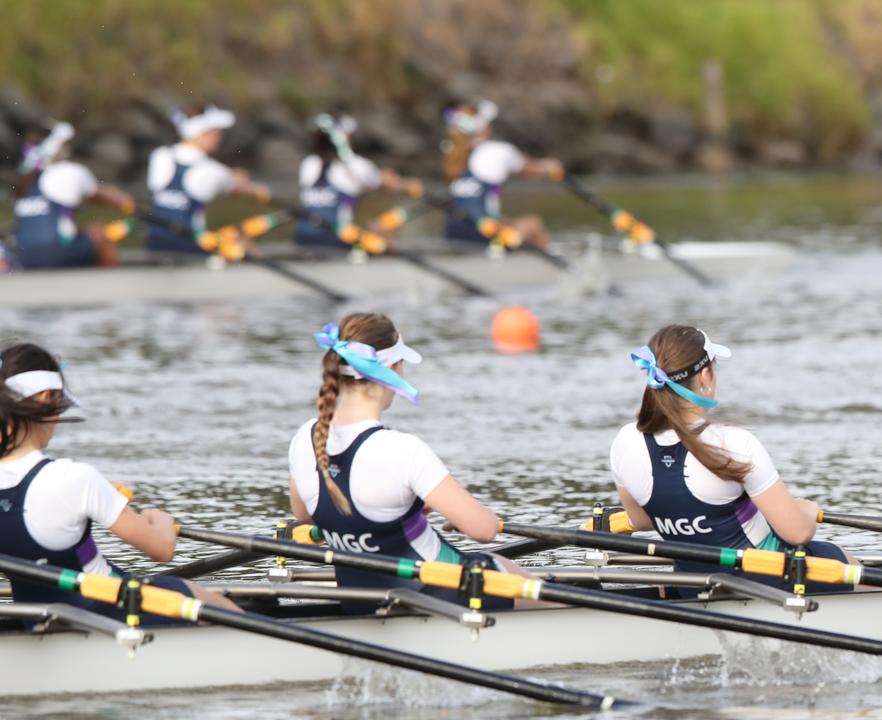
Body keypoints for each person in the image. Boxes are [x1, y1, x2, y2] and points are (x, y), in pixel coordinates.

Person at [287, 313, 531, 613]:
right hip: (439, 595)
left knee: (500, 566)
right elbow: (484, 530)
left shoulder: (304, 438)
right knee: (521, 578)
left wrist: (406, 508)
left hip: (360, 599)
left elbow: (304, 514)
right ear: (392, 369)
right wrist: (465, 512)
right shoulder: (403, 450)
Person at [610, 324, 853, 597]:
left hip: (691, 585)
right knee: (840, 558)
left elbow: (640, 519)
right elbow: (796, 534)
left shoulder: (625, 441)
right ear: (705, 376)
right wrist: (806, 514)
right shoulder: (735, 443)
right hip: (765, 582)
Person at [0, 342, 238, 620]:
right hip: (112, 611)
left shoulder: (71, 483)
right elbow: (161, 549)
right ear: (45, 398)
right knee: (199, 596)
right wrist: (158, 519)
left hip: (31, 617)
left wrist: (101, 498)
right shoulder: (74, 478)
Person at [145, 105, 270, 254]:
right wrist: (259, 191)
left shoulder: (160, 155)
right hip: (190, 246)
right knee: (242, 241)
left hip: (155, 242)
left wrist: (231, 175)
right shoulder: (213, 170)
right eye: (214, 131)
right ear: (201, 133)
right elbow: (247, 190)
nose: (219, 136)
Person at [441, 99, 562, 251]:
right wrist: (552, 166)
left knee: (506, 222)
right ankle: (550, 270)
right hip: (484, 234)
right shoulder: (495, 151)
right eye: (489, 123)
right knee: (534, 224)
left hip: (453, 234)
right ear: (483, 127)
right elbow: (530, 169)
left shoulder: (453, 158)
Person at [11, 121, 134, 270]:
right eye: (64, 144)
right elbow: (103, 197)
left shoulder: (23, 182)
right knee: (101, 234)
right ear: (54, 147)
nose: (68, 148)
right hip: (55, 255)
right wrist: (126, 203)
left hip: (24, 257)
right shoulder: (67, 171)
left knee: (79, 232)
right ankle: (112, 286)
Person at [295, 113, 421, 250]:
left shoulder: (308, 164)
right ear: (343, 138)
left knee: (372, 228)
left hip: (304, 237)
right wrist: (407, 185)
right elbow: (386, 183)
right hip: (337, 239)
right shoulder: (356, 167)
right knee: (385, 239)